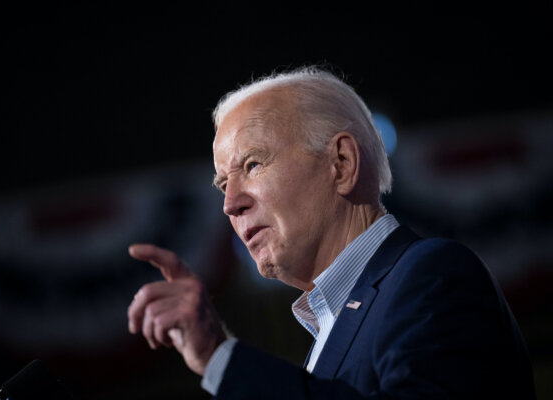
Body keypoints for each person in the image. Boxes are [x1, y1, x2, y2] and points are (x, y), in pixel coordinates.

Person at [127, 66, 536, 399]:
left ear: (340, 163)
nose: (230, 203)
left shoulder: (432, 276)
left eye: (252, 165)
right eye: (222, 184)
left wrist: (220, 356)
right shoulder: (330, 332)